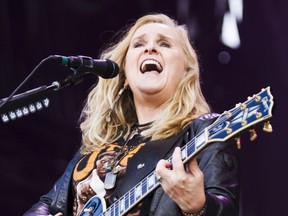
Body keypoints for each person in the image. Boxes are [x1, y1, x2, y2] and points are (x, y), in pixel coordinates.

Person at [24, 13, 240, 216]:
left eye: (164, 43)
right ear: (125, 74)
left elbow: (226, 205)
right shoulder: (98, 145)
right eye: (138, 44)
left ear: (185, 71)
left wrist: (199, 206)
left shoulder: (205, 130)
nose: (150, 49)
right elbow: (49, 204)